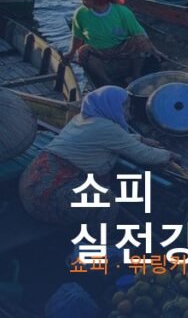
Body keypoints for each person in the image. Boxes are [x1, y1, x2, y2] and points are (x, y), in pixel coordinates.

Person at [19, 86, 176, 225]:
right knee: (105, 200)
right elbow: (145, 155)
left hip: (32, 185)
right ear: (111, 107)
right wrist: (168, 154)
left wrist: (140, 138)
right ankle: (99, 242)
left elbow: (113, 139)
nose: (128, 111)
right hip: (47, 197)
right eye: (124, 106)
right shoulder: (106, 128)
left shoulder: (83, 119)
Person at [69, 0, 165, 86]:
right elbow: (78, 37)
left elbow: (139, 33)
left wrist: (154, 49)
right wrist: (71, 53)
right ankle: (107, 82)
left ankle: (136, 76)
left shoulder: (121, 11)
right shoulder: (81, 14)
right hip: (99, 52)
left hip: (121, 50)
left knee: (140, 41)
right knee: (83, 51)